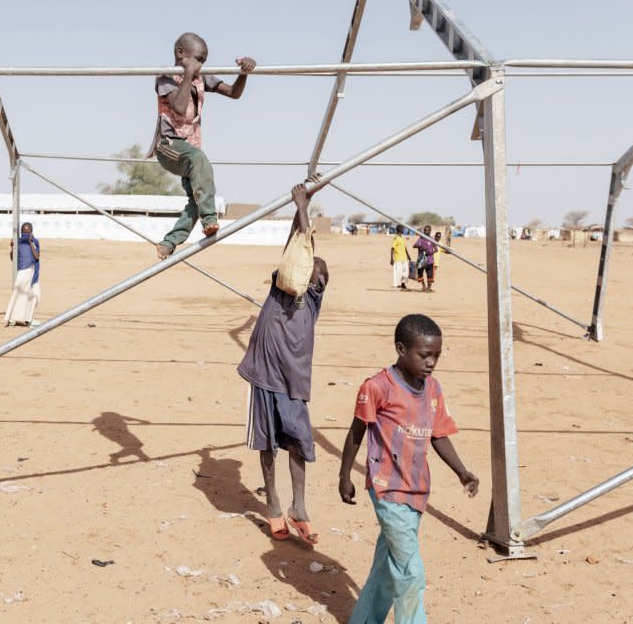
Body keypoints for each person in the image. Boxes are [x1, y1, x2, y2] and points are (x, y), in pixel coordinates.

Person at [338, 314, 479, 623]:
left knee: (387, 569)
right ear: (401, 349)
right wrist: (344, 474)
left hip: (416, 491)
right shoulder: (376, 387)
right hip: (387, 490)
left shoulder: (433, 390)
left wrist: (462, 471)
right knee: (411, 572)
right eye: (425, 355)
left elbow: (438, 434)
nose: (431, 363)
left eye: (437, 356)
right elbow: (356, 431)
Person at [237, 182, 328, 545]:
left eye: (318, 269)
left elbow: (306, 247)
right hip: (263, 373)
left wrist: (303, 204)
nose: (311, 266)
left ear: (320, 282)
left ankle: (299, 506)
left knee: (298, 440)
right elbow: (298, 243)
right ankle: (274, 505)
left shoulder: (310, 298)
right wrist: (301, 203)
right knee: (266, 442)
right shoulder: (280, 287)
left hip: (292, 382)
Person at [150, 32, 256, 259]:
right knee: (200, 161)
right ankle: (210, 219)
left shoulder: (200, 78)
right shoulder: (165, 78)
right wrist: (188, 74)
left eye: (204, 61)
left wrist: (243, 74)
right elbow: (178, 106)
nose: (201, 65)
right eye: (198, 59)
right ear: (180, 54)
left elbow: (233, 93)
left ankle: (169, 242)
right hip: (169, 146)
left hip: (190, 150)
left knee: (197, 198)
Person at [5, 222, 41, 327]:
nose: (25, 234)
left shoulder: (35, 242)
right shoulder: (18, 243)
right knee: (18, 295)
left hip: (33, 273)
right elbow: (13, 258)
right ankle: (12, 319)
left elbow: (37, 256)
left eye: (27, 232)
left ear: (31, 232)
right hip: (22, 273)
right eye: (23, 232)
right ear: (21, 232)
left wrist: (30, 243)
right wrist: (12, 247)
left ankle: (28, 318)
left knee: (35, 295)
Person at [413, 225, 437, 292]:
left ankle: (429, 288)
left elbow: (436, 249)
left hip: (429, 260)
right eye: (425, 230)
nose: (426, 231)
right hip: (421, 260)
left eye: (428, 230)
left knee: (430, 274)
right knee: (420, 273)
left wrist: (430, 252)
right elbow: (414, 245)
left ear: (430, 231)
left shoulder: (432, 239)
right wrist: (419, 246)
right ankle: (423, 286)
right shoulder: (421, 238)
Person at [390, 225, 411, 290]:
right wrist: (391, 259)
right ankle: (397, 285)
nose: (403, 230)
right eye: (402, 229)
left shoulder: (402, 237)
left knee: (406, 272)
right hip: (398, 258)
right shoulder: (396, 238)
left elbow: (404, 247)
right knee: (398, 272)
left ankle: (403, 283)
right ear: (399, 229)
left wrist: (408, 256)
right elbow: (392, 248)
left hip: (404, 258)